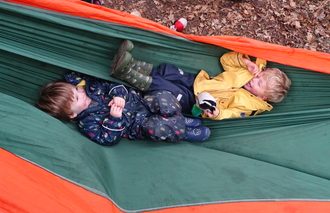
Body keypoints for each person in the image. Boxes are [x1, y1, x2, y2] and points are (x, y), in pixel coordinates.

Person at [110, 40, 291, 120]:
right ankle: (131, 63)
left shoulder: (250, 107)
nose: (255, 80)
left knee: (164, 87)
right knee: (168, 70)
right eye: (259, 77)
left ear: (262, 98)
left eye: (259, 84)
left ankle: (126, 73)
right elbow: (225, 60)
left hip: (196, 102)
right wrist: (246, 63)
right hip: (200, 81)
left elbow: (231, 114)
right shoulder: (249, 74)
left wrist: (217, 113)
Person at [36, 72, 210, 146]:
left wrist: (118, 94)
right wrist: (114, 118)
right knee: (157, 127)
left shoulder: (92, 88)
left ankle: (178, 118)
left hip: (141, 102)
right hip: (138, 124)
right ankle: (183, 131)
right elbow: (106, 139)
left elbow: (109, 84)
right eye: (76, 98)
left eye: (76, 89)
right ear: (72, 114)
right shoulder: (86, 124)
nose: (80, 92)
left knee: (162, 96)